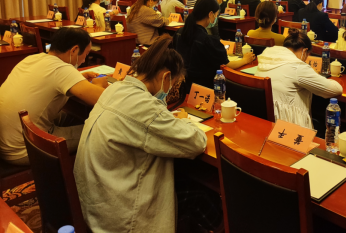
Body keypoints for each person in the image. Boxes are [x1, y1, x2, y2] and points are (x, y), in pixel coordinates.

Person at [74, 35, 222, 233]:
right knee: (205, 196)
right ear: (166, 77)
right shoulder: (144, 106)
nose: (169, 90)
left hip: (98, 197)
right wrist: (185, 121)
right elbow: (196, 143)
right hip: (122, 214)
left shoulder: (116, 88)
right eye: (173, 84)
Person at [0, 28, 107, 165]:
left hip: (7, 141)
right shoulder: (62, 69)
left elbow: (50, 80)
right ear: (74, 50)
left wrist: (78, 78)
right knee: (100, 131)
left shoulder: (33, 58)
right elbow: (103, 99)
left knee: (72, 115)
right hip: (25, 148)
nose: (84, 60)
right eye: (85, 54)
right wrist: (99, 83)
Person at [255, 30, 343, 129]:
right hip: (290, 126)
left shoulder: (266, 58)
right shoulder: (298, 67)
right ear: (304, 51)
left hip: (264, 122)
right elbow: (336, 89)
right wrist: (316, 75)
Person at [175, 0, 255, 94]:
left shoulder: (179, 33)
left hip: (184, 87)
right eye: (216, 15)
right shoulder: (207, 40)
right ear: (210, 14)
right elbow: (226, 65)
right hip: (205, 89)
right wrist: (245, 60)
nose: (216, 18)